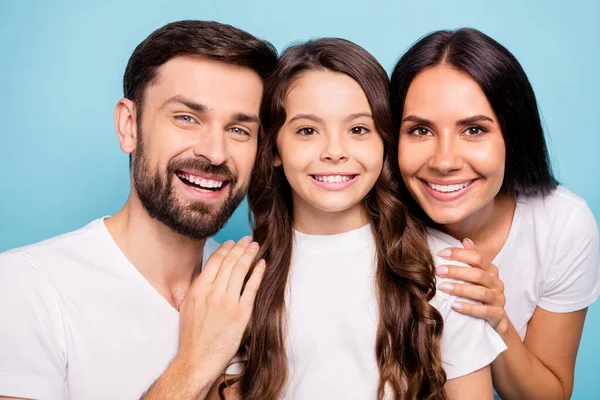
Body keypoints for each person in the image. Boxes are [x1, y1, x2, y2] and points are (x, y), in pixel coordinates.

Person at [211, 37, 506, 400]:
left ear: (385, 143)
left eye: (358, 130)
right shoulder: (239, 276)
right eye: (307, 130)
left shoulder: (445, 267)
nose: (335, 151)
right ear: (274, 148)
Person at [0, 20, 277, 400]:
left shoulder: (256, 288)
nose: (215, 152)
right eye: (186, 118)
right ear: (129, 125)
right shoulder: (25, 288)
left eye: (239, 130)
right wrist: (196, 362)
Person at [390, 28, 600, 400]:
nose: (444, 162)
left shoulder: (563, 225)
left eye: (473, 130)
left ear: (513, 135)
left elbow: (550, 394)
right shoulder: (372, 222)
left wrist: (497, 321)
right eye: (420, 130)